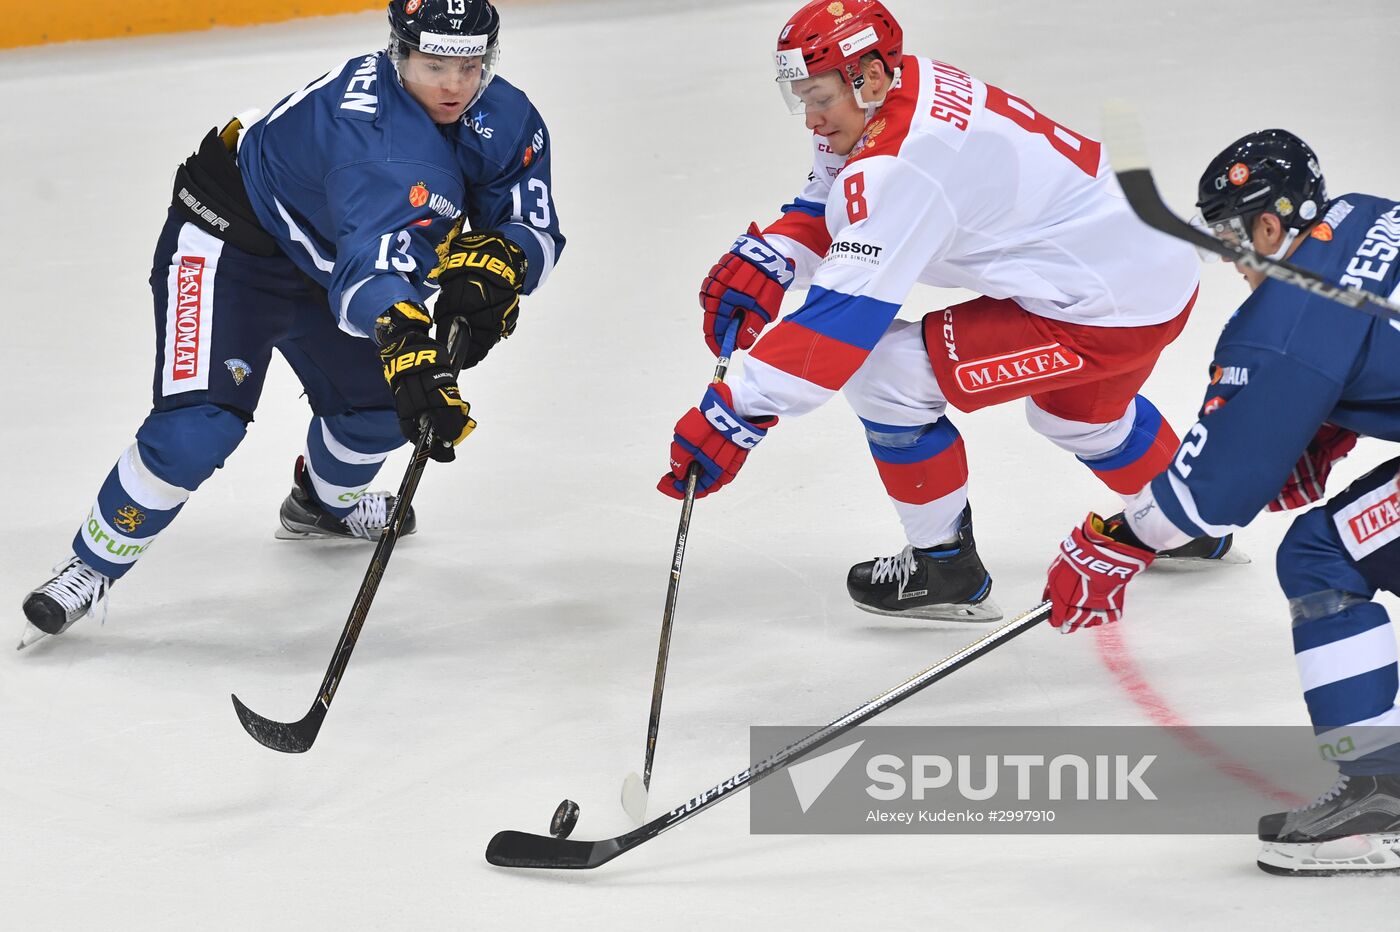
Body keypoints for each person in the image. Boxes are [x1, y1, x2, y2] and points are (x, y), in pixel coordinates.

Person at [18, 0, 564, 649]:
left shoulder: (501, 117)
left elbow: (531, 219)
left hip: (328, 253)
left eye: (470, 65)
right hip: (230, 240)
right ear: (399, 53)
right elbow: (371, 267)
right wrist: (405, 338)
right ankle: (90, 563)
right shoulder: (378, 146)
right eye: (434, 64)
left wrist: (506, 265)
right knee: (199, 427)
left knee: (383, 411)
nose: (454, 85)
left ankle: (322, 507)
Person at [658, 0, 1225, 623]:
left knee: (884, 374)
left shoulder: (903, 165)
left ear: (868, 77)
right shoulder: (904, 86)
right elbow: (834, 194)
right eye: (802, 99)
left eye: (819, 97)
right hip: (1150, 271)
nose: (812, 120)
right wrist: (775, 254)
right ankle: (1183, 517)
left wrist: (736, 411)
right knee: (1080, 419)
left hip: (1102, 309)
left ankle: (943, 564)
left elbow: (840, 321)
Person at [1042, 129, 1400, 874]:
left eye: (1232, 236)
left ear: (1270, 227)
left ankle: (1382, 798)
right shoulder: (1368, 215)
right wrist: (1326, 429)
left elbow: (1208, 498)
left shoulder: (1283, 321)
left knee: (1323, 554)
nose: (1235, 259)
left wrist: (1114, 540)